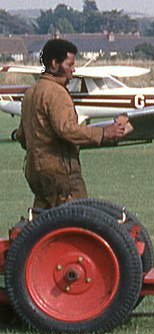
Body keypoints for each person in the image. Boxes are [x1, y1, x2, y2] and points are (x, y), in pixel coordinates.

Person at [14, 38, 133, 210]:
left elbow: (22, 136)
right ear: (55, 64)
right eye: (70, 64)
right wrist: (103, 133)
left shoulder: (31, 92)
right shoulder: (56, 93)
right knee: (76, 218)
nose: (73, 70)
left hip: (36, 173)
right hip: (60, 173)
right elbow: (67, 130)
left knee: (44, 225)